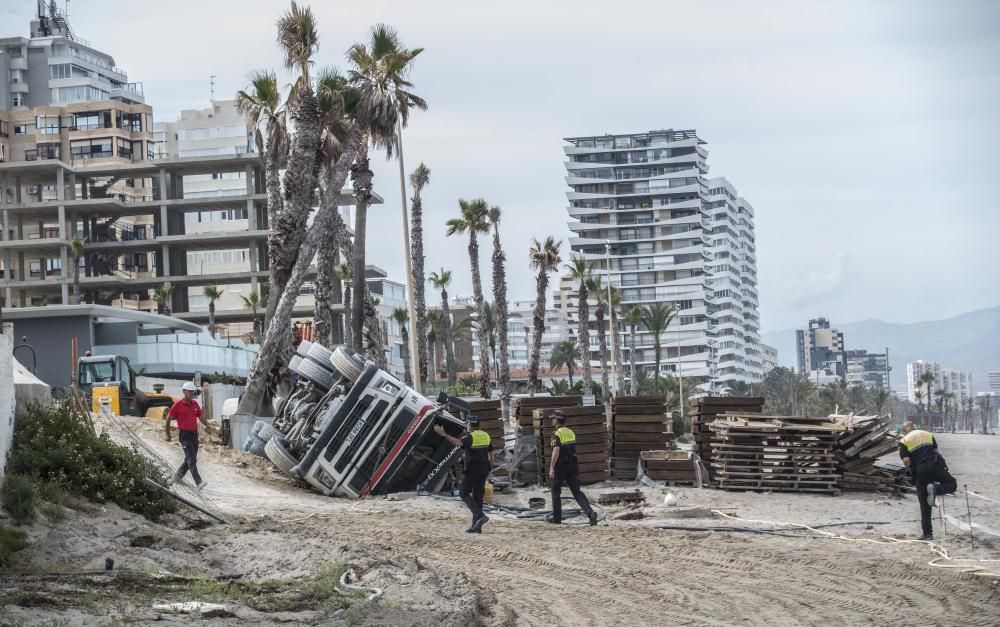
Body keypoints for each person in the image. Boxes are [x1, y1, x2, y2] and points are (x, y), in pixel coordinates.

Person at [899, 420, 957, 540]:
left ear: (904, 431)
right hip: (935, 466)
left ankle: (927, 534)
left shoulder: (904, 440)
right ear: (913, 426)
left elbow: (906, 461)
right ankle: (936, 488)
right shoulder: (927, 434)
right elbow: (936, 451)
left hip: (920, 472)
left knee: (925, 505)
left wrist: (910, 470)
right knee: (952, 484)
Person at [435, 416, 492, 533]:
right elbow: (492, 452)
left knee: (463, 492)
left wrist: (444, 434)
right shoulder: (486, 435)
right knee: (477, 496)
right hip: (484, 468)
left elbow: (457, 442)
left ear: (470, 425)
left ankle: (480, 515)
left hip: (473, 469)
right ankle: (476, 527)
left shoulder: (470, 436)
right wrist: (490, 466)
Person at [547, 410, 598, 526]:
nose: (552, 420)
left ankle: (557, 520)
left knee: (555, 492)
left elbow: (556, 450)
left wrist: (551, 467)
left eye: (553, 418)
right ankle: (591, 514)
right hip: (573, 465)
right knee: (577, 492)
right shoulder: (571, 432)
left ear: (556, 420)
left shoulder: (556, 434)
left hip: (561, 466)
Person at [165, 381, 211, 490]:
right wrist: (168, 435)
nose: (191, 394)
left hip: (194, 435)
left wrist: (207, 425)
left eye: (192, 392)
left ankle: (177, 477)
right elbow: (168, 419)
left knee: (190, 458)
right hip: (184, 436)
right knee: (192, 459)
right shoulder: (178, 405)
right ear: (184, 391)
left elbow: (200, 416)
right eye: (189, 392)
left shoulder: (195, 404)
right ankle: (198, 482)